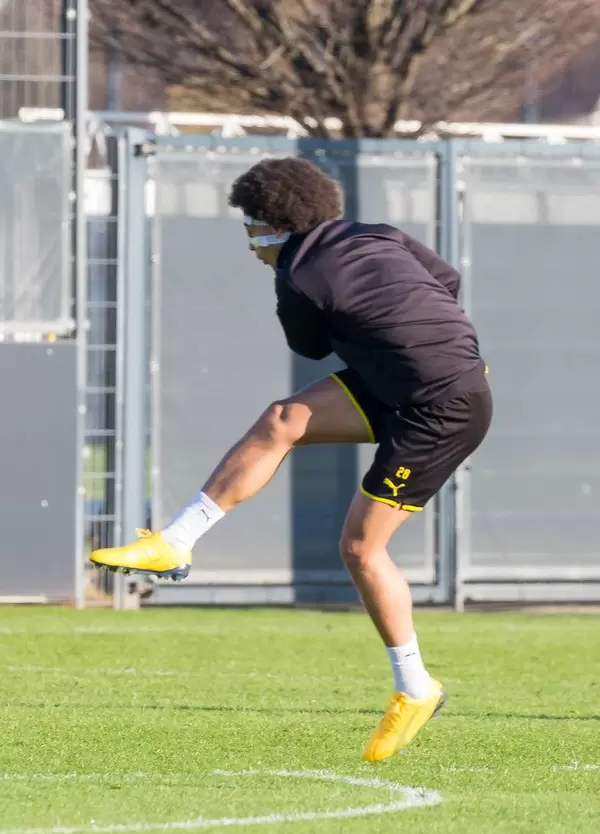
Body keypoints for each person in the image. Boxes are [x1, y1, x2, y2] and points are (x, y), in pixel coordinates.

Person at [90, 157, 492, 763]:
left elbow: (308, 344)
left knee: (360, 548)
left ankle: (416, 687)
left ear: (270, 226)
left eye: (249, 228)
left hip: (441, 410)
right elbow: (448, 281)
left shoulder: (299, 279)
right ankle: (177, 539)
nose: (248, 242)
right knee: (283, 420)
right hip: (415, 382)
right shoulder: (375, 233)